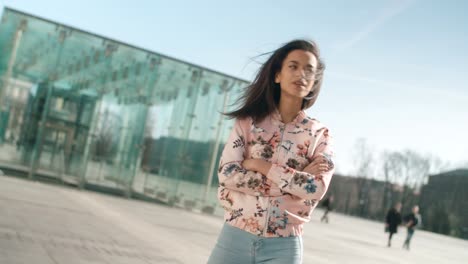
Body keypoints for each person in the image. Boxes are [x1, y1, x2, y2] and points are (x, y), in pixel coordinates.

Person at [207, 39, 335, 264]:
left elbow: (316, 188)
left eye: (309, 70)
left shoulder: (320, 134)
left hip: (284, 246)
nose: (301, 74)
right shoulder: (247, 123)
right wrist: (294, 184)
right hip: (235, 237)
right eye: (293, 66)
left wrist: (260, 165)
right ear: (277, 75)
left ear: (314, 81)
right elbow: (227, 175)